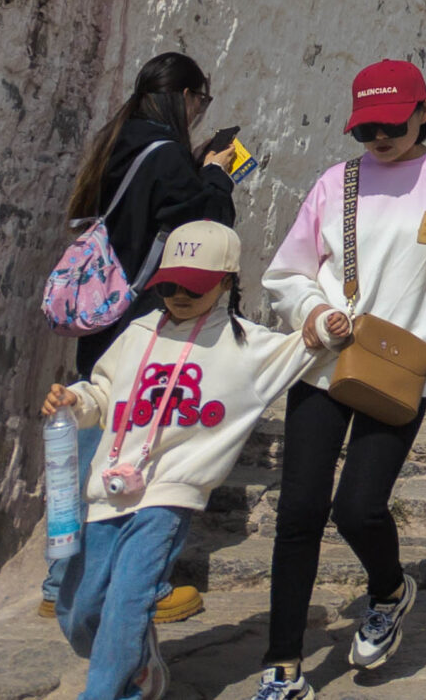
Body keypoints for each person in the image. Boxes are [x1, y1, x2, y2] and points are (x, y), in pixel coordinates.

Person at [252, 60, 426, 700]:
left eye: (391, 124)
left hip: (404, 362)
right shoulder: (340, 182)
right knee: (299, 511)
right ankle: (284, 670)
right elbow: (288, 272)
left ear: (423, 112)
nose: (379, 138)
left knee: (358, 507)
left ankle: (389, 589)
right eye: (366, 129)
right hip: (327, 359)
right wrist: (313, 312)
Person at [43, 223, 316, 700]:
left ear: (227, 282)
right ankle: (137, 662)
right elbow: (104, 393)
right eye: (169, 285)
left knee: (128, 602)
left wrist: (329, 325)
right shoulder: (139, 332)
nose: (179, 295)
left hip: (168, 494)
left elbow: (307, 346)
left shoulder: (247, 345)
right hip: (107, 490)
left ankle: (111, 691)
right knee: (81, 610)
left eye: (194, 285)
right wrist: (74, 399)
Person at [44, 51, 240, 625]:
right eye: (200, 101)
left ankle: (62, 582)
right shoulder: (167, 155)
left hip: (101, 320)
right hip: (144, 323)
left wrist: (194, 166)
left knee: (88, 451)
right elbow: (205, 226)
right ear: (183, 96)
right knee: (138, 462)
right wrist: (218, 174)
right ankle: (140, 588)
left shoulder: (120, 143)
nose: (200, 112)